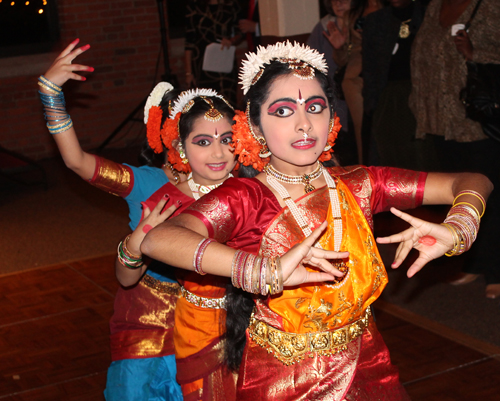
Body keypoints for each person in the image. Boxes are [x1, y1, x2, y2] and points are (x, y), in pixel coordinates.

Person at [140, 41, 493, 399]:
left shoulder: (362, 183)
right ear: (255, 128)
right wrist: (263, 269)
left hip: (366, 361)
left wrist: (459, 227)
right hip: (281, 375)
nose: (304, 124)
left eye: (315, 107)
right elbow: (159, 239)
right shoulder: (244, 197)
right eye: (283, 111)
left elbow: (472, 181)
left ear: (332, 118)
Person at [38, 39, 187, 400]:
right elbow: (76, 162)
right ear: (165, 136)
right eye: (192, 136)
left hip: (206, 329)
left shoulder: (233, 185)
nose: (214, 148)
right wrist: (50, 93)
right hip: (145, 332)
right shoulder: (146, 183)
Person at [114, 86, 239, 401]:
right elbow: (126, 278)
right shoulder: (166, 201)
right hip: (189, 331)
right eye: (202, 142)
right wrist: (136, 242)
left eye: (226, 140)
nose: (218, 153)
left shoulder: (251, 190)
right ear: (180, 149)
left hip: (243, 330)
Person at [409, 0, 500, 298]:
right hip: (441, 121)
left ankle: (497, 270)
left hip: (477, 119)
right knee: (459, 197)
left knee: (489, 195)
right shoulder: (435, 4)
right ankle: (475, 262)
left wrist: (477, 54)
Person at [362, 0, 438, 170]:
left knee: (422, 155)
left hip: (422, 96)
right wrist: (371, 104)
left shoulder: (429, 15)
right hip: (388, 97)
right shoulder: (376, 20)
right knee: (390, 154)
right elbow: (369, 67)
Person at [324, 0, 383, 164]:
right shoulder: (354, 15)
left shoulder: (390, 7)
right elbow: (343, 60)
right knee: (364, 136)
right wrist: (340, 47)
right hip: (356, 82)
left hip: (386, 78)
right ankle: (368, 174)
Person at [307, 0, 351, 164]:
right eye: (334, 0)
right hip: (330, 94)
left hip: (356, 92)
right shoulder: (323, 26)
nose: (338, 3)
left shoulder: (363, 22)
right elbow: (308, 61)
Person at [184, 0, 242, 104]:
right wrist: (189, 73)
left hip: (224, 62)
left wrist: (231, 41)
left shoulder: (231, 6)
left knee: (228, 101)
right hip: (202, 65)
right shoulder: (194, 8)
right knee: (206, 104)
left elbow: (240, 32)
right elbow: (189, 43)